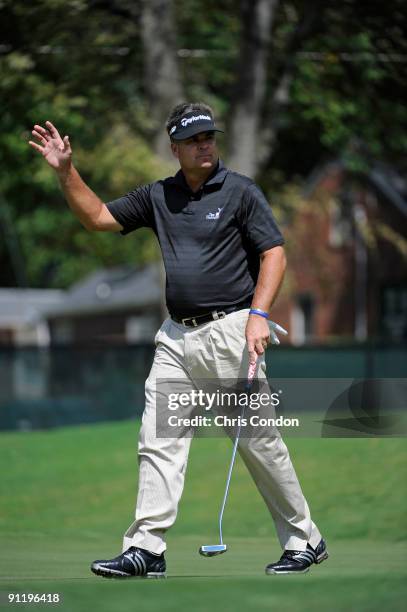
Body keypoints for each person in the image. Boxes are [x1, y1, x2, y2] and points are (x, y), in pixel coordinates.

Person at [29, 102, 328, 578]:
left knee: (258, 442)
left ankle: (304, 539)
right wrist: (66, 172)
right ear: (175, 148)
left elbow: (273, 253)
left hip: (231, 331)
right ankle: (147, 548)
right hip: (175, 338)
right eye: (193, 140)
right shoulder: (159, 195)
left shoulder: (241, 192)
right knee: (157, 438)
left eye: (209, 137)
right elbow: (99, 218)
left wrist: (258, 316)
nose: (204, 145)